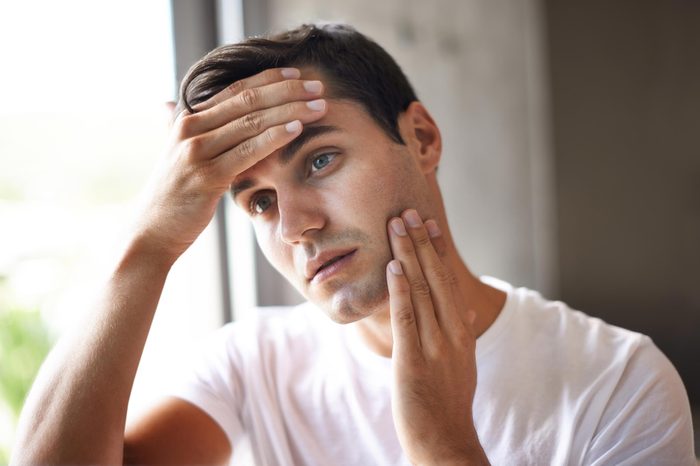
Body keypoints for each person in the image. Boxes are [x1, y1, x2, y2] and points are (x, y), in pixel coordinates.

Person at [12, 23, 695, 465]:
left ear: (421, 139)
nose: (294, 225)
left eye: (318, 161)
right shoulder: (254, 366)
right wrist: (149, 243)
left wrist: (440, 441)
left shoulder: (619, 386)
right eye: (258, 200)